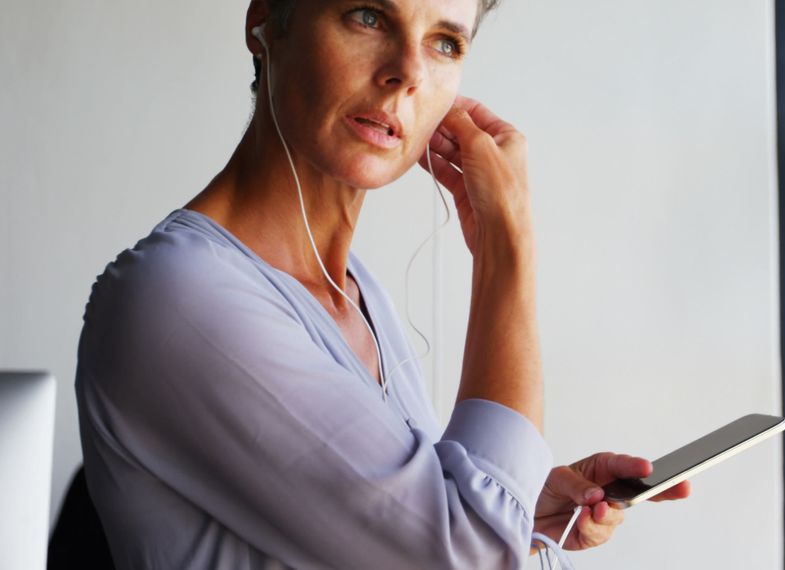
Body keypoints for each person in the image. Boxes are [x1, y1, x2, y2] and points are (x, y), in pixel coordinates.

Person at [74, 0, 690, 568]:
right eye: (368, 17)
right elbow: (465, 554)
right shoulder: (178, 296)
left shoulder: (356, 293)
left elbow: (421, 538)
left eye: (445, 43)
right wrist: (508, 244)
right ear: (266, 22)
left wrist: (523, 506)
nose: (407, 73)